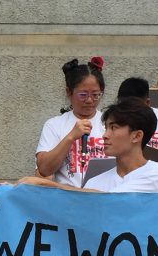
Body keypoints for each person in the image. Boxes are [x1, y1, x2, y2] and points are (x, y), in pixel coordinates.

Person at [20, 97, 158, 193]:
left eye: (114, 128)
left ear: (137, 136)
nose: (105, 135)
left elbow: (110, 201)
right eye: (106, 127)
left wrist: (46, 184)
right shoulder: (95, 182)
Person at [35, 57, 106, 187]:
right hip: (67, 199)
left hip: (103, 198)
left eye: (96, 95)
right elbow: (44, 170)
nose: (90, 100)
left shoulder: (109, 124)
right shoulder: (54, 125)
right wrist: (70, 137)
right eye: (83, 95)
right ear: (69, 92)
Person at [117, 77, 158, 175]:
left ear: (147, 103)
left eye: (134, 107)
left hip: (157, 184)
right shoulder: (111, 123)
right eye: (124, 106)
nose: (129, 112)